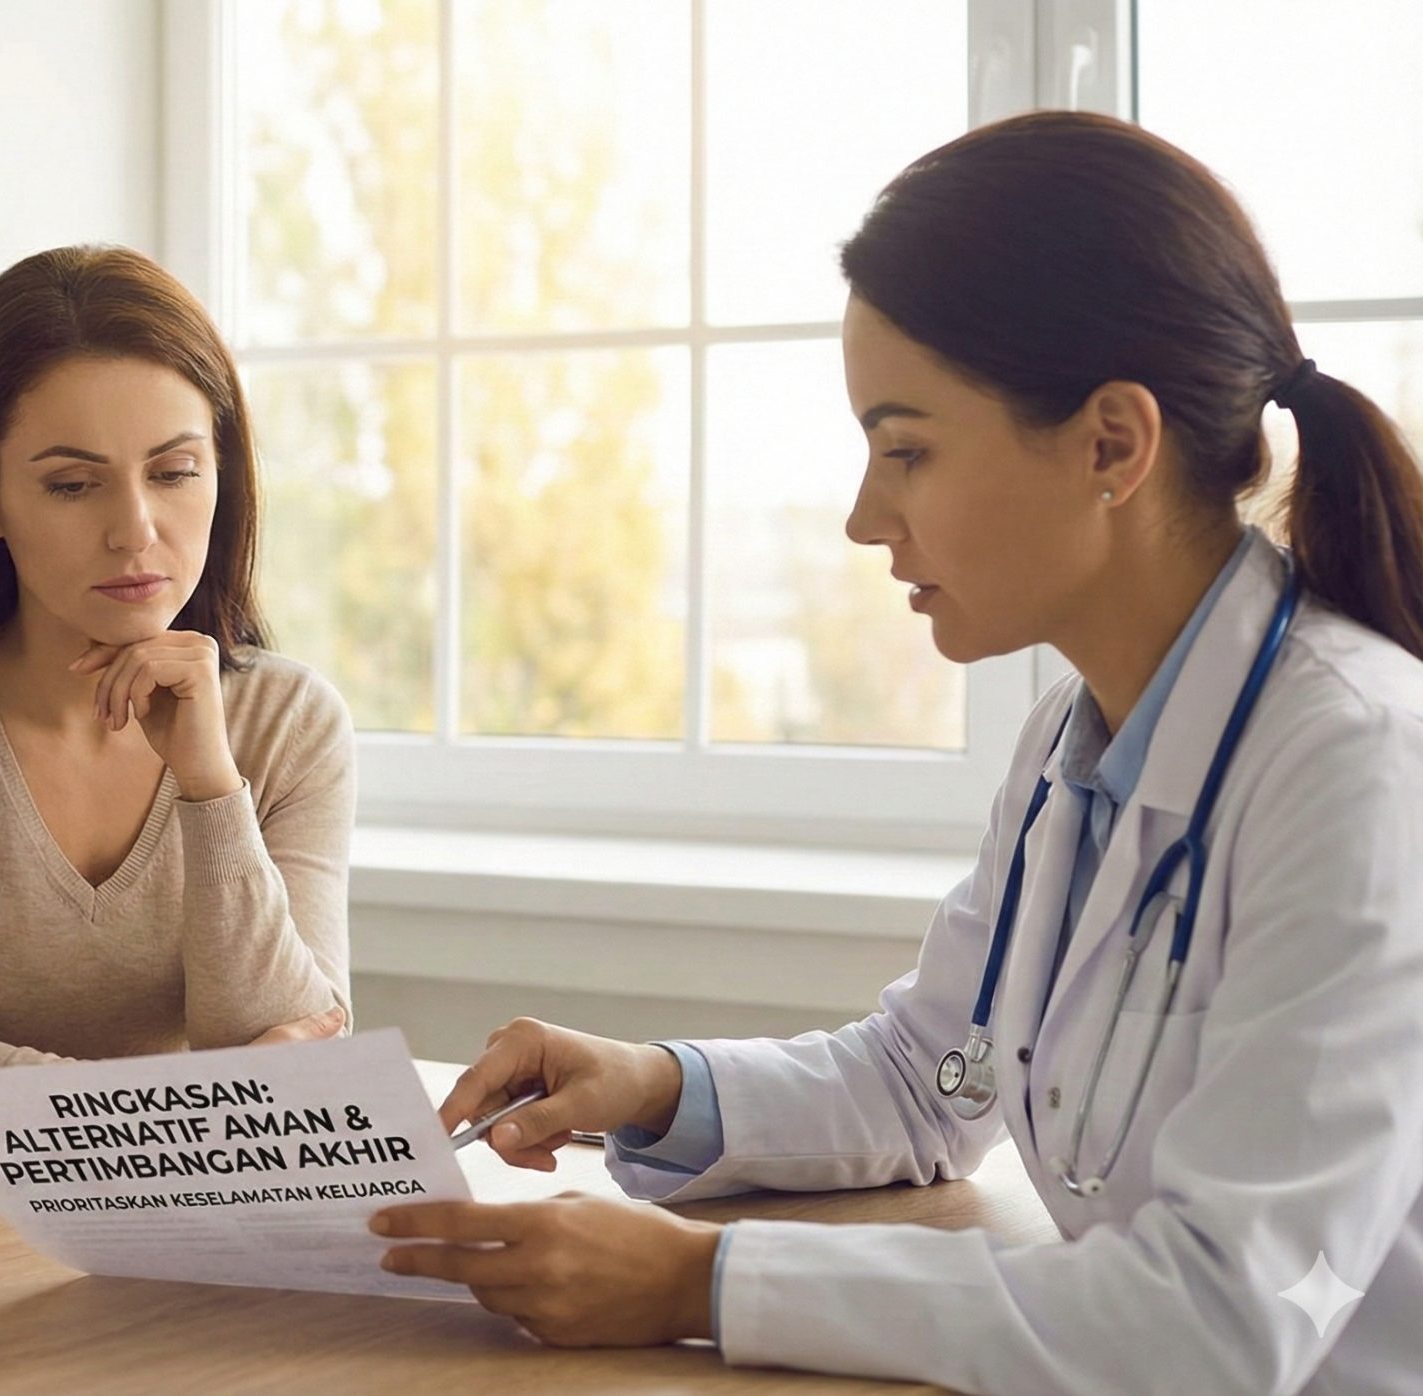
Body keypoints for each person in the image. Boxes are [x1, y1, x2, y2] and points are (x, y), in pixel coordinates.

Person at [374, 111, 1423, 1395]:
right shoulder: (1071, 744)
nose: (868, 518)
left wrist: (693, 1281)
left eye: (906, 450)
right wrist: (648, 1085)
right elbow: (935, 1077)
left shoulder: (1361, 765)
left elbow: (1216, 1319)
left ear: (1112, 444)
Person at [0, 246, 353, 1118]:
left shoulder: (291, 718)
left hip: (218, 1225)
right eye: (71, 484)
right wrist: (189, 1105)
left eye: (174, 473)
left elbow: (303, 1065)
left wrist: (211, 786)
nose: (135, 531)